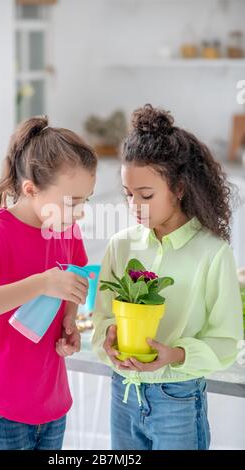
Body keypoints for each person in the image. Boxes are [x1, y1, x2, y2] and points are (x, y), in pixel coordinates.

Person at [92, 104, 243, 450]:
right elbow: (101, 317)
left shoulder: (213, 254)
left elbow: (225, 341)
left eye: (146, 195)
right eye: (129, 195)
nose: (135, 205)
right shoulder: (120, 246)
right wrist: (108, 344)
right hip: (124, 392)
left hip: (177, 398)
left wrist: (175, 355)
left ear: (179, 188)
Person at [0, 116, 97, 450]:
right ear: (31, 189)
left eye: (85, 200)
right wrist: (40, 284)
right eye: (72, 202)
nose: (80, 213)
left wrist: (68, 320)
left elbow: (75, 275)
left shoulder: (65, 229)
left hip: (51, 402)